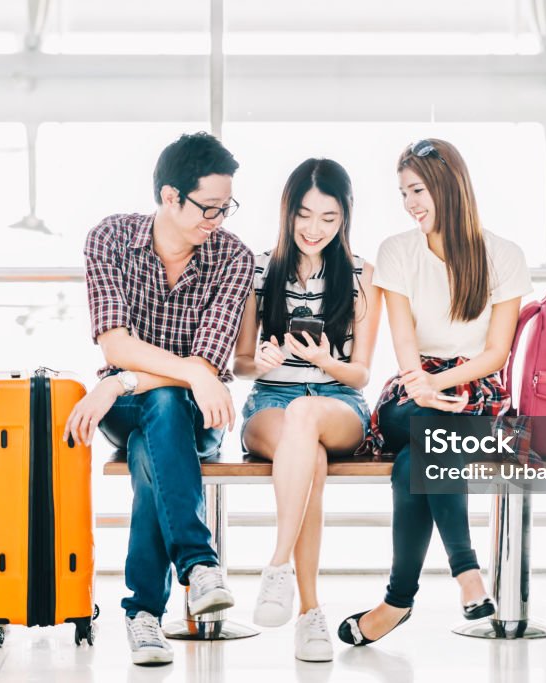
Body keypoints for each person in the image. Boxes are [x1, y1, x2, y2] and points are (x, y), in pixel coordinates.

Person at [65, 132, 255, 666]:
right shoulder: (110, 239)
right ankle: (198, 565)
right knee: (165, 405)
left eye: (226, 207)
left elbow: (208, 367)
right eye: (209, 208)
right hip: (125, 410)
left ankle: (143, 613)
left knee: (160, 435)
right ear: (171, 196)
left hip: (196, 414)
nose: (218, 219)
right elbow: (116, 342)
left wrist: (121, 378)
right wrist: (133, 380)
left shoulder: (233, 258)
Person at [338, 139, 532, 646]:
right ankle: (467, 573)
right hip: (411, 388)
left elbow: (495, 354)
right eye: (403, 193)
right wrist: (421, 385)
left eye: (418, 190)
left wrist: (443, 384)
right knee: (427, 428)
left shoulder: (503, 255)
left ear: (449, 186)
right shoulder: (397, 251)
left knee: (417, 458)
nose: (410, 203)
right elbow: (403, 341)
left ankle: (396, 603)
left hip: (476, 391)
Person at [233, 158, 381, 661]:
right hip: (270, 402)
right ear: (287, 212)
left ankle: (276, 568)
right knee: (307, 455)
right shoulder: (258, 269)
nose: (314, 229)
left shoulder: (361, 274)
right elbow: (241, 362)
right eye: (304, 214)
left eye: (328, 218)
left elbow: (361, 373)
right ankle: (309, 612)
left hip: (338, 403)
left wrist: (324, 361)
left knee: (306, 419)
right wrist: (262, 360)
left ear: (345, 219)